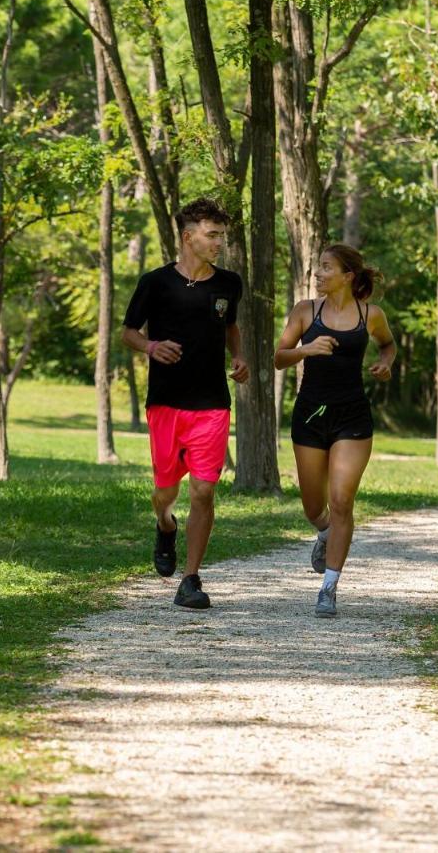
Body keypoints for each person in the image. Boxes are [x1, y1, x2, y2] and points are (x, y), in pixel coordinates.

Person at [121, 198, 249, 609]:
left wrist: (240, 356)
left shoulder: (228, 283)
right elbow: (128, 333)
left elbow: (231, 326)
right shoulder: (155, 283)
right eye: (212, 236)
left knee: (204, 491)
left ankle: (190, 579)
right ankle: (164, 524)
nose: (219, 244)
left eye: (222, 236)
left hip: (212, 402)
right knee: (165, 491)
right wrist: (151, 346)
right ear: (187, 236)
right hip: (165, 403)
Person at [273, 243, 396, 618]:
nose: (318, 273)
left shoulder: (369, 315)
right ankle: (323, 531)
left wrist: (384, 363)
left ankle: (329, 587)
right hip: (310, 415)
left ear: (348, 276)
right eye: (318, 267)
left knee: (342, 500)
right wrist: (306, 350)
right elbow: (279, 357)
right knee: (314, 505)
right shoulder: (305, 312)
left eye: (326, 267)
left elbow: (388, 345)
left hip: (352, 417)